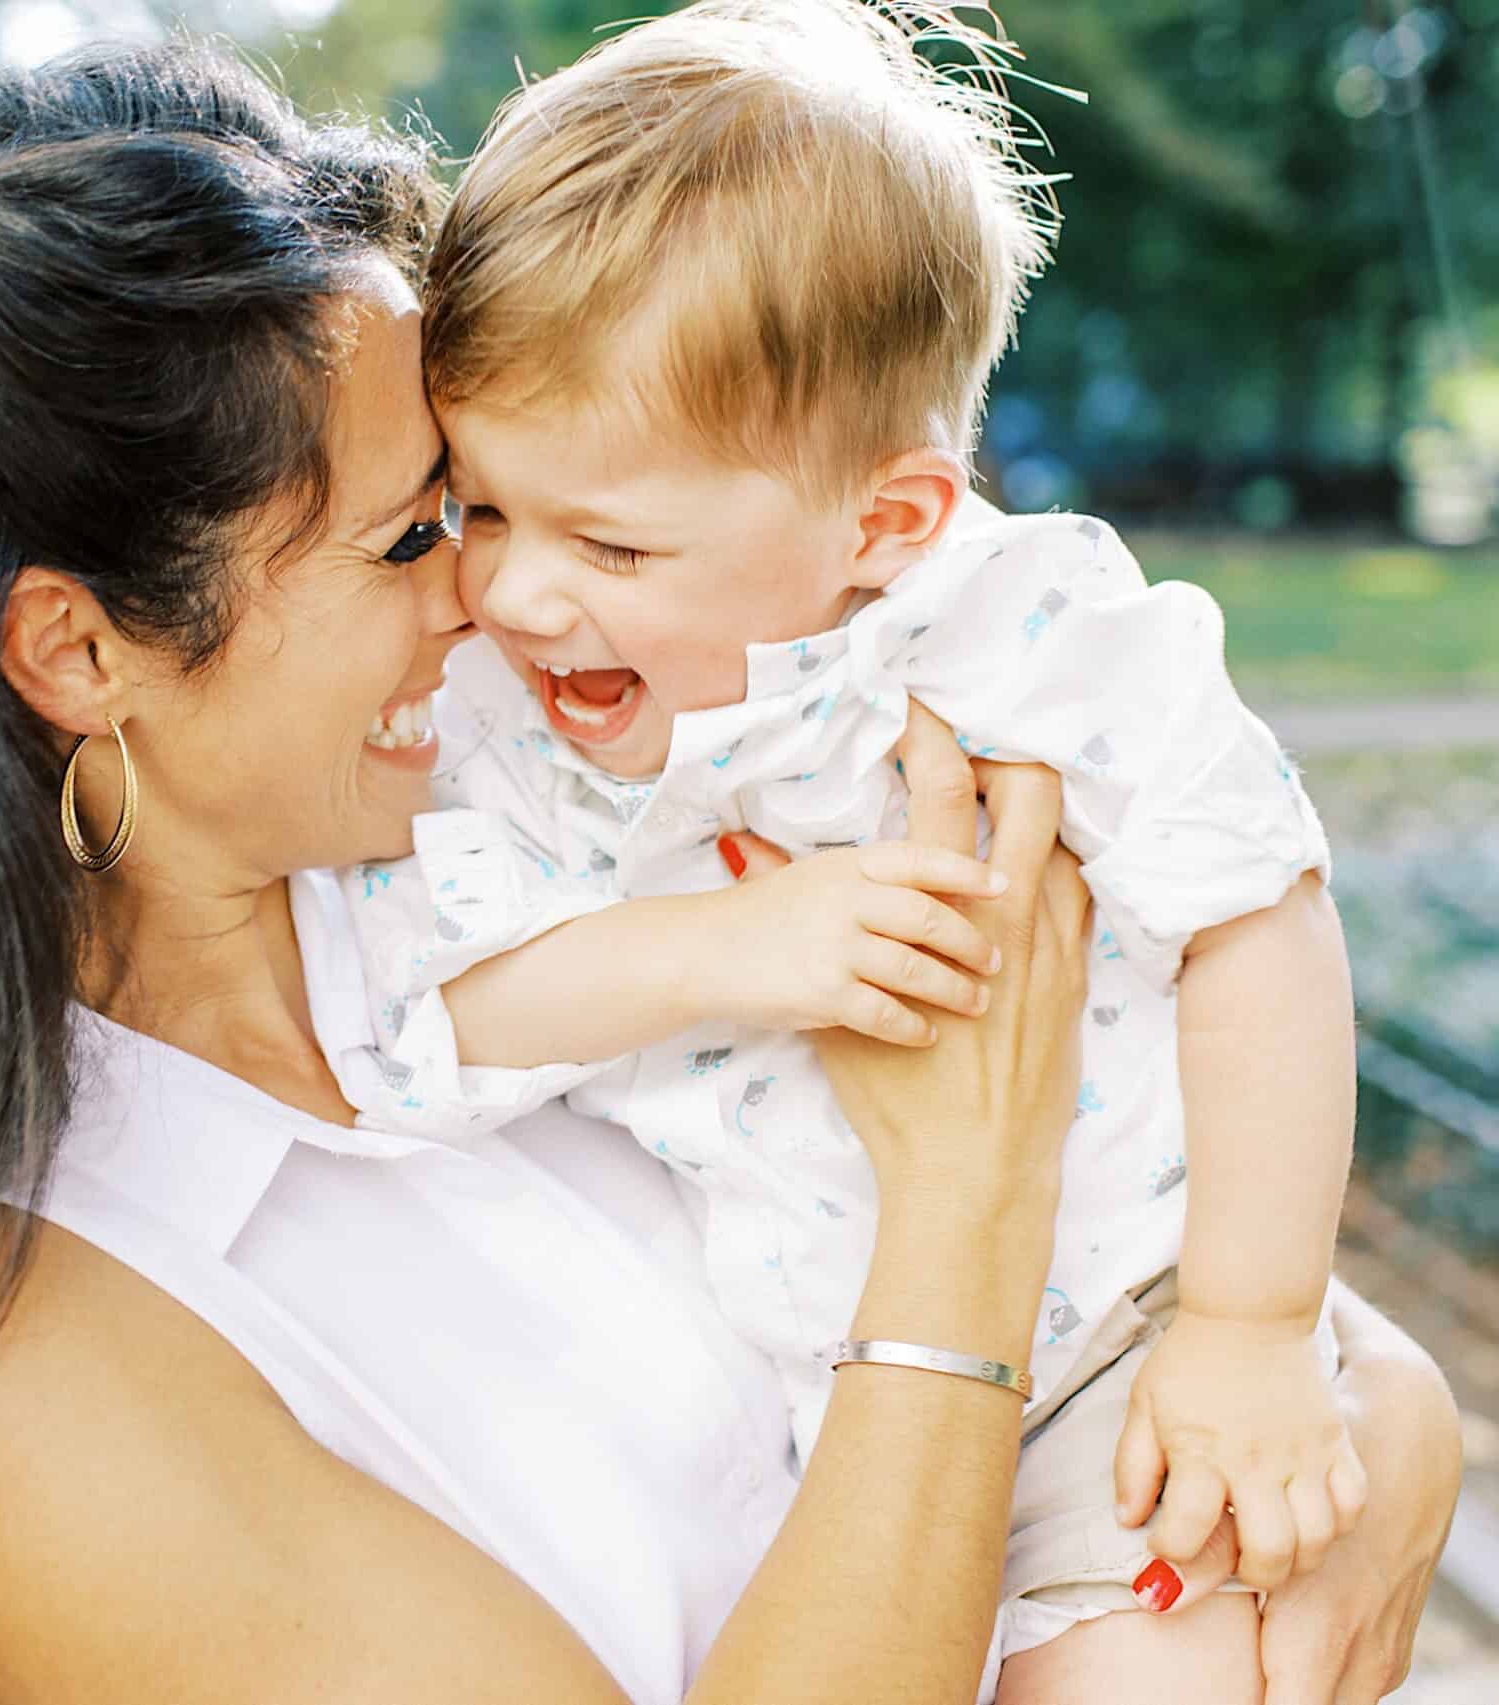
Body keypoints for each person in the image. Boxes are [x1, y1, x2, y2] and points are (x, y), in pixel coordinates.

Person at [0, 42, 1463, 1705]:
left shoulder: (485, 791)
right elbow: (982, 1163)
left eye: (474, 499)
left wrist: (1373, 1392)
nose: (496, 592)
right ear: (79, 650)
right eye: (411, 537)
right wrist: (966, 1201)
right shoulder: (3, 1377)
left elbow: (1161, 1087)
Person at [335, 7, 1357, 1695]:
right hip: (810, 1420)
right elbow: (435, 1006)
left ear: (885, 522)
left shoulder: (1023, 633)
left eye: (612, 539)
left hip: (1124, 1365)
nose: (517, 592)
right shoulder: (501, 718)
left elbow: (1260, 908)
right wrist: (749, 943)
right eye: (483, 507)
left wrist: (1253, 1321)